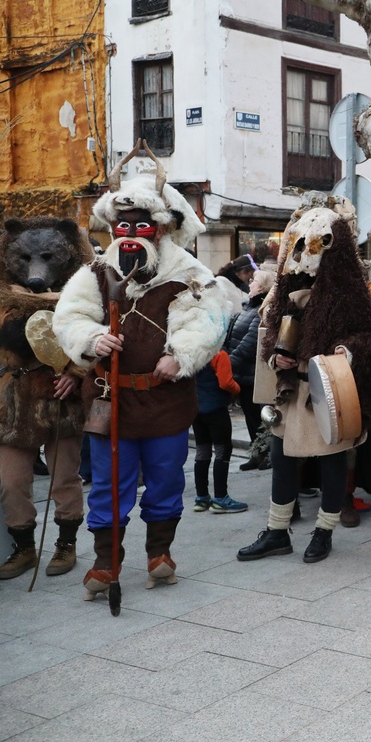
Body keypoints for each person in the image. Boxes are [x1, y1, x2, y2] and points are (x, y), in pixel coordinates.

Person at [54, 148, 229, 601]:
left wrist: (181, 354)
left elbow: (209, 319)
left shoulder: (187, 271)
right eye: (122, 227)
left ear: (163, 227)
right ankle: (106, 562)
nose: (130, 235)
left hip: (166, 402)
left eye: (141, 226)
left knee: (167, 479)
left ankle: (160, 555)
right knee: (110, 485)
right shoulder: (96, 271)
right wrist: (93, 339)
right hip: (110, 401)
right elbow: (70, 316)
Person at [236, 195, 371, 564]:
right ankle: (276, 531)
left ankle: (324, 531)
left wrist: (344, 352)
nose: (308, 251)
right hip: (291, 388)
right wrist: (276, 354)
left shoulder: (349, 290)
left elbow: (367, 336)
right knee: (283, 458)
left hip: (329, 389)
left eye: (318, 243)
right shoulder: (287, 284)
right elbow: (271, 329)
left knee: (332, 460)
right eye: (302, 242)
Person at [0, 217, 92, 580]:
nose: (36, 272)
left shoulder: (82, 296)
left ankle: (65, 544)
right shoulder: (4, 293)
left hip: (60, 395)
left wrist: (76, 372)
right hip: (14, 398)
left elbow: (95, 343)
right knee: (10, 482)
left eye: (49, 258)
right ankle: (23, 546)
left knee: (64, 479)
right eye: (25, 259)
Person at [229, 268, 275, 470]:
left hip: (254, 374)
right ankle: (256, 455)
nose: (250, 283)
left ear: (263, 286)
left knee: (260, 418)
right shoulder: (248, 306)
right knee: (250, 417)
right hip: (243, 374)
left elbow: (250, 343)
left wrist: (227, 362)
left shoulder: (263, 309)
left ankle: (265, 455)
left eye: (254, 280)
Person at [192, 348, 247, 513]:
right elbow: (225, 382)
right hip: (216, 410)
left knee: (202, 452)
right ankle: (221, 498)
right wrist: (238, 389)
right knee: (222, 451)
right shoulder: (219, 354)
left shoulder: (192, 354)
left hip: (196, 411)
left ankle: (201, 498)